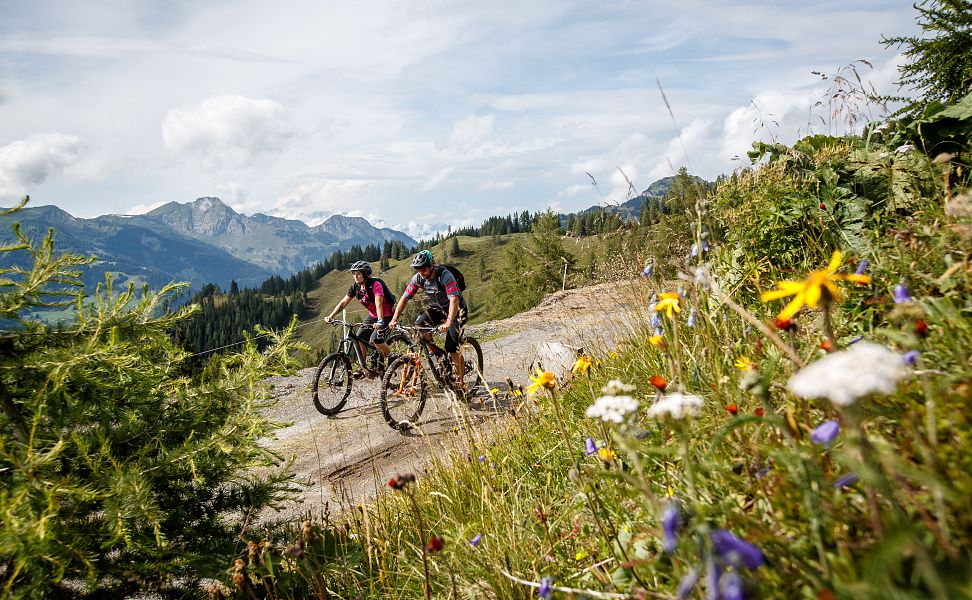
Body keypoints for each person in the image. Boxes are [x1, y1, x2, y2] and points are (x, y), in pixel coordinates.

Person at [389, 250, 468, 384]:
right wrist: (394, 318)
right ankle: (438, 354)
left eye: (423, 268)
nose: (421, 272)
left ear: (432, 265)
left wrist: (449, 322)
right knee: (419, 327)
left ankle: (461, 385)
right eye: (417, 269)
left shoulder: (445, 275)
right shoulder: (418, 278)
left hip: (457, 309)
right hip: (438, 308)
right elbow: (404, 298)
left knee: (452, 347)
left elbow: (454, 300)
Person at [323, 260, 393, 377]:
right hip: (372, 315)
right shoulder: (356, 287)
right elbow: (343, 303)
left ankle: (392, 357)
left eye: (358, 273)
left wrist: (380, 321)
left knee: (375, 339)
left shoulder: (376, 284)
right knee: (360, 337)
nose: (355, 276)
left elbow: (378, 304)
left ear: (365, 274)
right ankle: (363, 367)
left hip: (386, 315)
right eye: (353, 273)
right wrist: (331, 316)